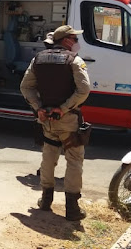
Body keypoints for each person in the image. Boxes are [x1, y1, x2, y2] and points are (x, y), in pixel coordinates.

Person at [20, 25, 91, 221]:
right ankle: (72, 209)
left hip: (46, 119)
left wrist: (39, 107)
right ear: (67, 41)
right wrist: (65, 107)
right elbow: (84, 90)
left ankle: (45, 201)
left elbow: (25, 87)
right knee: (74, 161)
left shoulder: (38, 59)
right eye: (74, 39)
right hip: (67, 121)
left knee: (48, 157)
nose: (76, 43)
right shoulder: (74, 60)